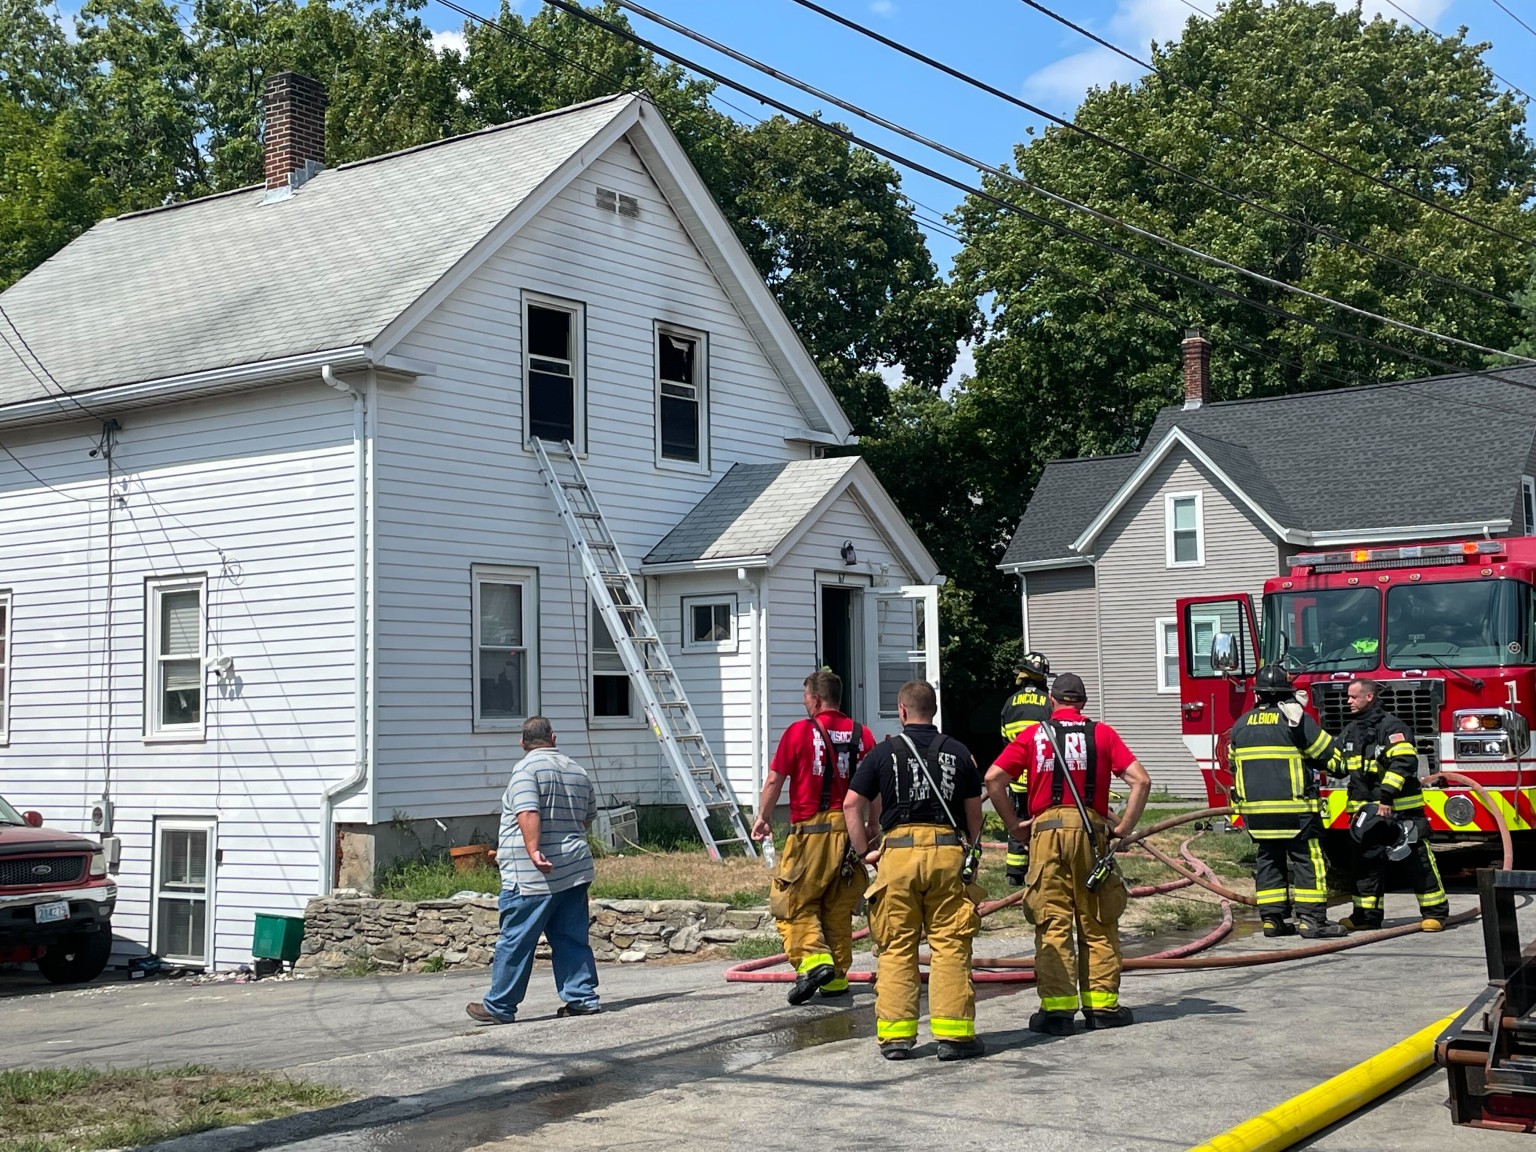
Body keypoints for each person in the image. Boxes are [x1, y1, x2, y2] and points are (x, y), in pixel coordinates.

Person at [985, 672, 1150, 1036]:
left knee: (1052, 920)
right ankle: (1102, 1008)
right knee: (1097, 919)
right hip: (1092, 832)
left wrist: (1015, 826)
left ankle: (1057, 1013)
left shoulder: (1033, 735)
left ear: (1051, 701)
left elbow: (994, 779)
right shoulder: (1102, 734)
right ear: (1084, 704)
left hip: (1045, 833)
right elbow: (1141, 780)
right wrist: (1122, 829)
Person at [844, 680, 985, 1061]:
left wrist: (863, 854)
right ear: (934, 710)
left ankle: (896, 1038)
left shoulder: (882, 753)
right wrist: (971, 851)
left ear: (902, 711)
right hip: (946, 854)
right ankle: (955, 1036)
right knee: (950, 944)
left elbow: (850, 805)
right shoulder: (958, 753)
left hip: (897, 858)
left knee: (895, 946)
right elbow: (975, 817)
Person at [467, 717, 601, 1024]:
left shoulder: (525, 770)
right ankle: (581, 998)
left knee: (516, 939)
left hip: (532, 876)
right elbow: (586, 818)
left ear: (522, 743)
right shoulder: (577, 770)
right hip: (574, 870)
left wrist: (534, 849)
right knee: (571, 937)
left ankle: (499, 1006)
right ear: (553, 738)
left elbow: (528, 810)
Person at [753, 669, 874, 1004]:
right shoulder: (863, 736)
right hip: (851, 834)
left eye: (806, 697)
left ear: (817, 699)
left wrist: (763, 818)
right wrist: (872, 827)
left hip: (812, 832)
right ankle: (835, 979)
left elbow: (775, 781)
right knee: (837, 906)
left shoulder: (798, 732)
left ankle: (813, 958)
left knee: (790, 900)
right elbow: (874, 791)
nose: (804, 703)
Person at [1226, 664, 1346, 939]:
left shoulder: (1240, 725)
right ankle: (1312, 920)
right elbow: (1327, 755)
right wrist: (1342, 766)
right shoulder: (1294, 719)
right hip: (1295, 811)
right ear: (1285, 694)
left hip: (1256, 813)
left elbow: (1234, 763)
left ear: (1258, 695)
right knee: (1309, 860)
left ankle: (1273, 920)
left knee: (1269, 860)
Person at [1338, 678, 1450, 932]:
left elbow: (1404, 762)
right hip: (1366, 814)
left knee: (1417, 861)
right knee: (1365, 866)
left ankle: (1435, 913)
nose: (1348, 701)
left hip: (1401, 811)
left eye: (1353, 697)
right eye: (1348, 697)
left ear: (1369, 697)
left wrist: (1386, 798)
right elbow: (1336, 761)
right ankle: (1366, 917)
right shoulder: (1352, 730)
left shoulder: (1392, 727)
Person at [998, 651, 1052, 886]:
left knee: (1018, 824)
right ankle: (1044, 867)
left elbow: (1004, 742)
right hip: (1042, 779)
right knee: (1045, 823)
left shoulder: (1009, 704)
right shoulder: (1048, 703)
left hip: (1017, 779)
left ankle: (1015, 873)